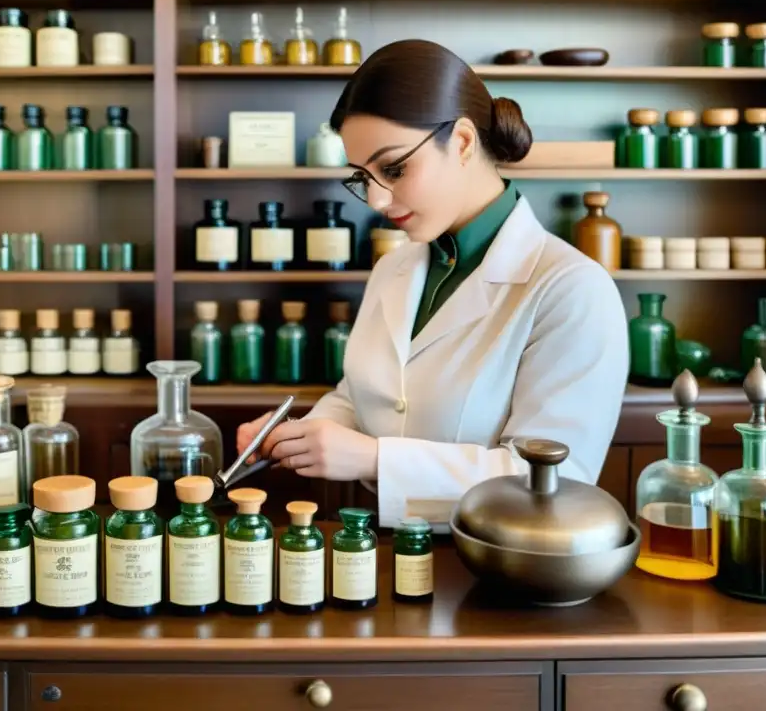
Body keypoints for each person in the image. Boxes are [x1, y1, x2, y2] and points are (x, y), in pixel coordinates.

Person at [236, 39, 630, 530]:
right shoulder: (393, 269)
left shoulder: (571, 289)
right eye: (363, 177)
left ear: (462, 142)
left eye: (395, 168)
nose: (377, 200)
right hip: (378, 553)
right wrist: (300, 433)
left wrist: (374, 460)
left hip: (491, 568)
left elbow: (557, 480)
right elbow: (361, 396)